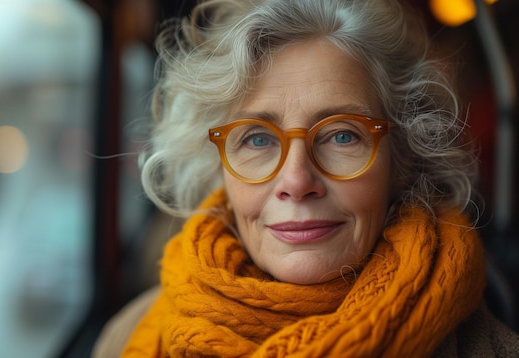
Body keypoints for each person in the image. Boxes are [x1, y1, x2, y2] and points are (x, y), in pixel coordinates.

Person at [94, 0, 519, 356]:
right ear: (219, 166)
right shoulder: (126, 337)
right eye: (258, 139)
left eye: (341, 135)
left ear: (402, 159)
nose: (296, 181)